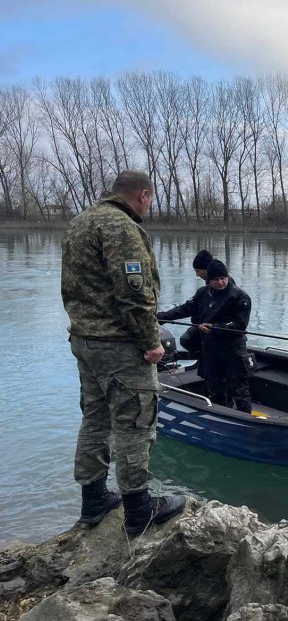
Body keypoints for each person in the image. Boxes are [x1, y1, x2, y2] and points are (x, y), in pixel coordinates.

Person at [61, 170, 185, 536]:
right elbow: (134, 294)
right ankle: (138, 509)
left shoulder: (79, 223)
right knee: (135, 424)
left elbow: (72, 286)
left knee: (95, 420)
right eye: (151, 198)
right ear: (143, 195)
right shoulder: (122, 228)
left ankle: (94, 501)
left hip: (85, 341)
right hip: (119, 346)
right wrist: (151, 342)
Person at [157, 259, 253, 412]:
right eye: (216, 279)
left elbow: (240, 325)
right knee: (214, 384)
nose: (220, 282)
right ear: (210, 280)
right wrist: (162, 317)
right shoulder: (203, 293)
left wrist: (216, 328)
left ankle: (246, 417)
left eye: (223, 278)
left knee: (238, 386)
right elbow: (185, 309)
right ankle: (220, 412)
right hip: (210, 347)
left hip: (232, 348)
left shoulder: (240, 297)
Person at [178, 249, 214, 355]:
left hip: (214, 330)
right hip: (205, 327)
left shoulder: (216, 287)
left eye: (198, 271)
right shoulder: (207, 287)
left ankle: (207, 356)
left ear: (207, 269)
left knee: (186, 339)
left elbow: (188, 308)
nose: (197, 275)